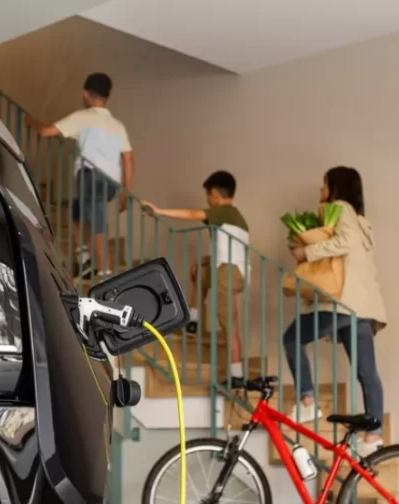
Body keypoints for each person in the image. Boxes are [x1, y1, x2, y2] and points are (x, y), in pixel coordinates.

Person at [283, 167, 387, 458]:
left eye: (324, 184)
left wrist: (306, 253)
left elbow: (344, 243)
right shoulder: (362, 221)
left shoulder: (339, 208)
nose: (321, 190)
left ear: (335, 187)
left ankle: (306, 400)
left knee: (291, 338)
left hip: (343, 302)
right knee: (367, 373)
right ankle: (373, 436)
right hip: (364, 306)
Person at [142, 171, 249, 389]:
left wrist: (159, 211)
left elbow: (193, 213)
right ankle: (192, 320)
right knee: (199, 273)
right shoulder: (234, 217)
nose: (207, 200)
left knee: (228, 324)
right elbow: (231, 249)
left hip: (227, 272)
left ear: (216, 194)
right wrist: (202, 262)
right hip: (228, 267)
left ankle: (237, 375)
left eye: (209, 195)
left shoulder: (224, 211)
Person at [32, 72, 134, 280]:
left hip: (91, 176)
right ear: (108, 98)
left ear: (86, 94)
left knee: (96, 221)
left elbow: (46, 131)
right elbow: (129, 158)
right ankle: (84, 257)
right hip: (112, 182)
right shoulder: (118, 126)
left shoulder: (82, 117)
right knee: (76, 212)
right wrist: (125, 191)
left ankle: (105, 271)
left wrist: (32, 122)